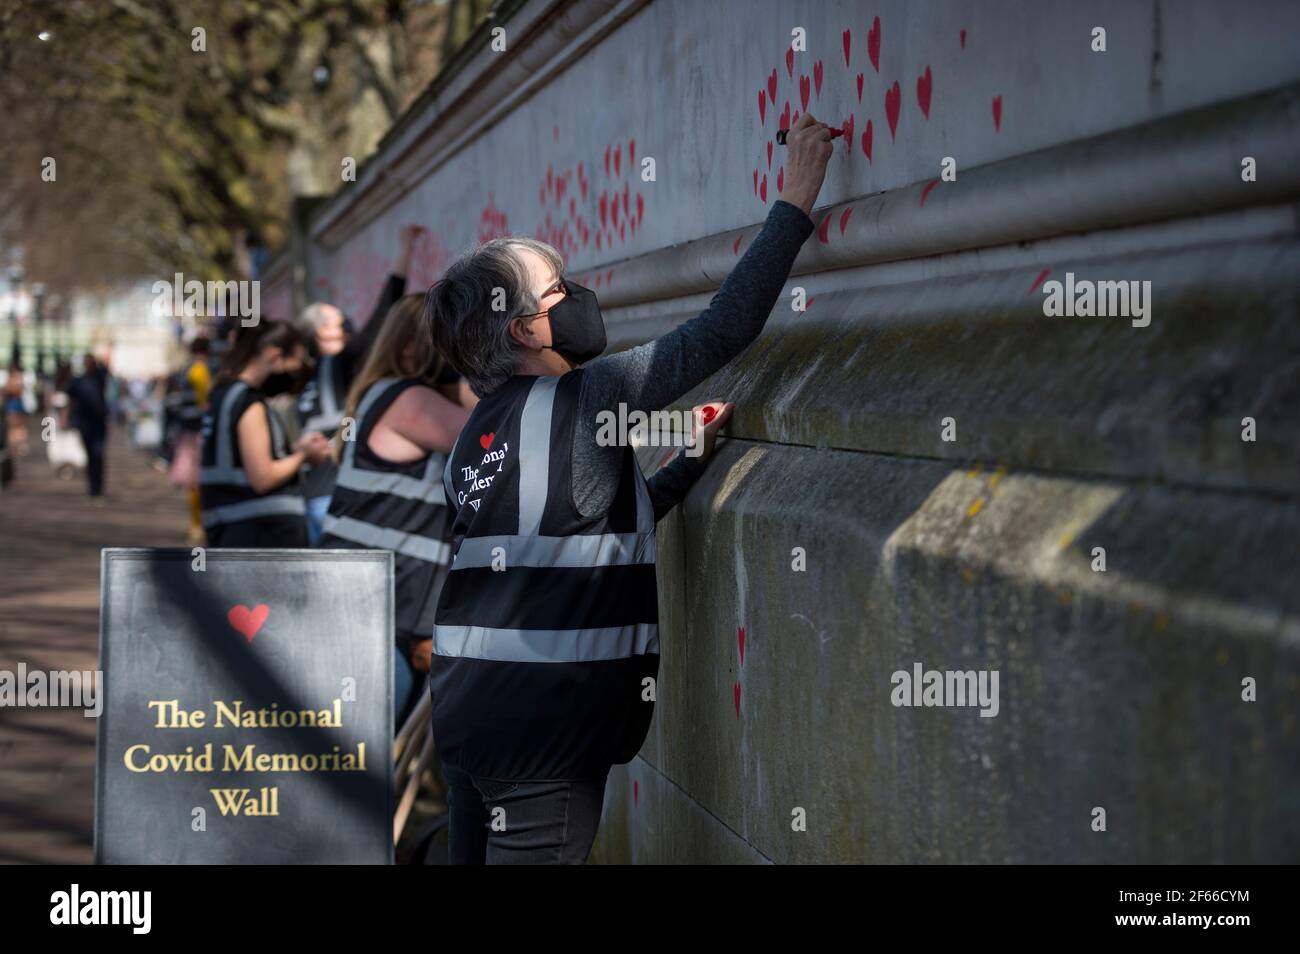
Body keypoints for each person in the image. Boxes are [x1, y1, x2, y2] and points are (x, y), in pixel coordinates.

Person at [423, 112, 832, 864]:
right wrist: (797, 201)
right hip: (540, 735)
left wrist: (686, 464)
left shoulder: (477, 432)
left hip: (469, 715)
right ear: (521, 330)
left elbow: (582, 533)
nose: (576, 294)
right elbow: (719, 332)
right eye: (556, 290)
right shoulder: (589, 396)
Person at [315, 295, 475, 728]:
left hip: (372, 586)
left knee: (365, 731)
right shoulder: (409, 400)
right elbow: (492, 438)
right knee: (366, 734)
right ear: (413, 347)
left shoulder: (381, 392)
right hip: (379, 591)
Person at [297, 225, 460, 543]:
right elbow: (383, 318)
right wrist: (403, 255)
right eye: (338, 322)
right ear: (321, 336)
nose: (347, 325)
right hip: (334, 497)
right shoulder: (342, 365)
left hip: (323, 498)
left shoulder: (309, 375)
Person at [199, 320, 331, 547]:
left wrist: (292, 451)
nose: (295, 374)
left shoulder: (223, 394)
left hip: (231, 528)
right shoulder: (250, 403)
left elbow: (240, 460)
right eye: (295, 364)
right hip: (262, 533)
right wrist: (304, 456)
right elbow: (263, 478)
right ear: (274, 356)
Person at [170, 337, 213, 544]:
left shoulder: (186, 370)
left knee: (193, 484)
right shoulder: (200, 371)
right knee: (199, 481)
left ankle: (195, 525)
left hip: (187, 431)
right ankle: (199, 526)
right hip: (198, 432)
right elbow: (206, 402)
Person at [65, 354, 110, 503]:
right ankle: (92, 488)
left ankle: (97, 488)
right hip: (85, 424)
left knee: (97, 455)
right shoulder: (78, 381)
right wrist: (65, 419)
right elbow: (69, 400)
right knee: (90, 456)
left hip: (98, 425)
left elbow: (106, 370)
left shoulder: (99, 379)